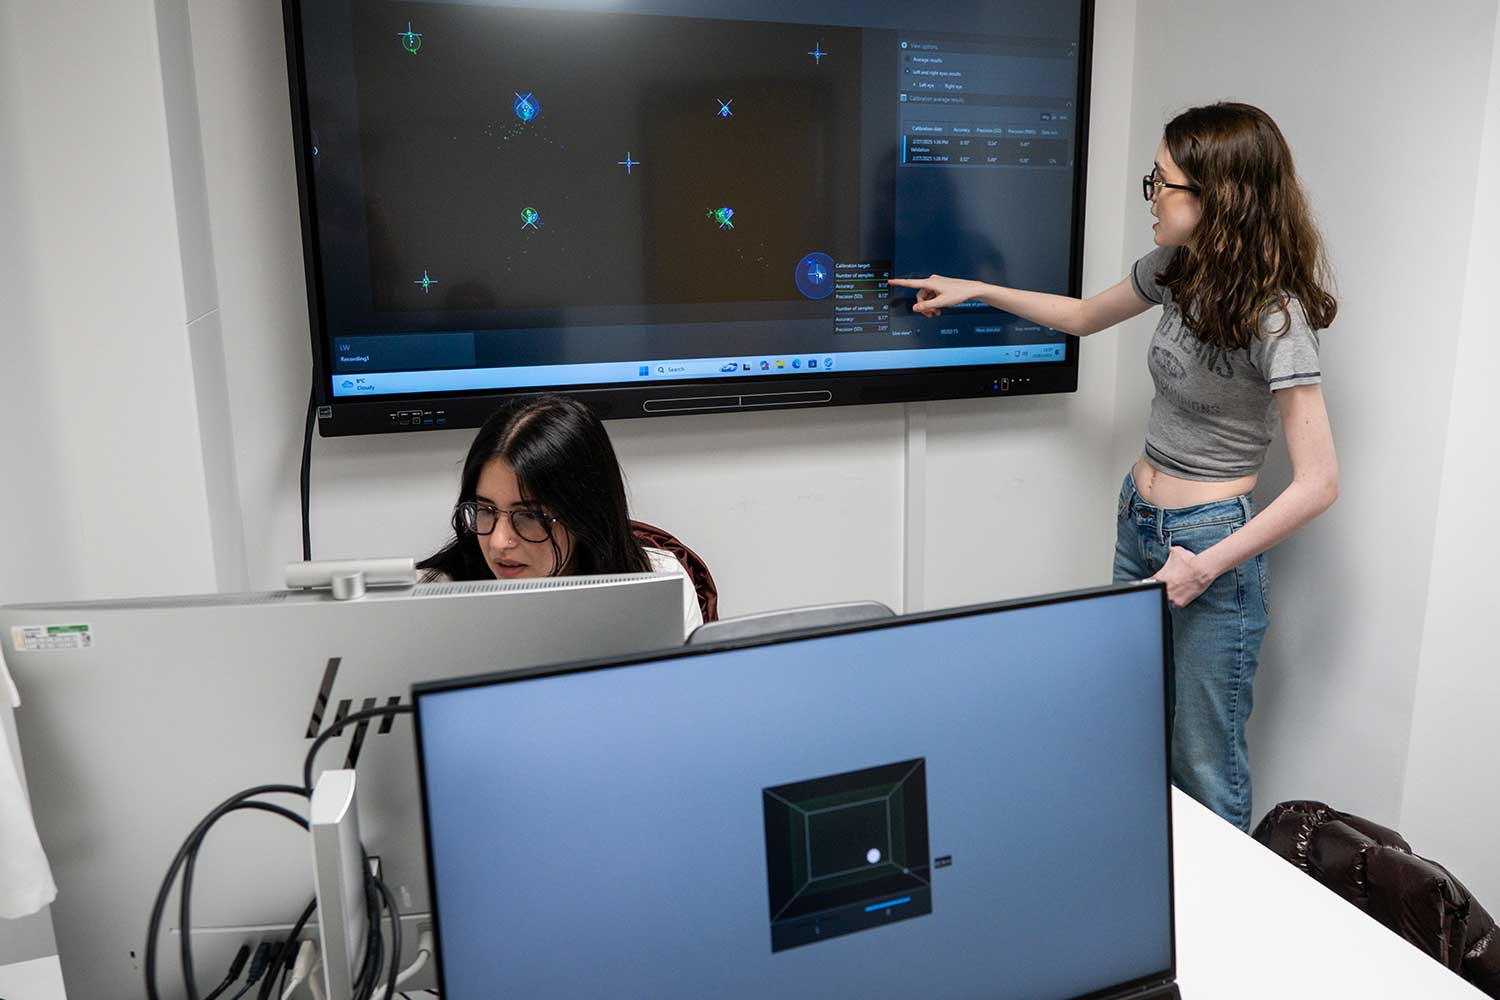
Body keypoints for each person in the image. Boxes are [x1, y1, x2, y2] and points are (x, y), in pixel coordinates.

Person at [891, 102, 1339, 832]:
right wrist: (978, 290)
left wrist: (1205, 565)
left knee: (1203, 764)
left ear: (1218, 198)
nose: (1152, 198)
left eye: (1162, 183)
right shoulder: (1174, 270)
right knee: (1126, 732)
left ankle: (1214, 929)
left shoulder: (1276, 318)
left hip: (1210, 548)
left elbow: (1319, 483)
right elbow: (1082, 316)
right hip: (1140, 522)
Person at [419, 394, 704, 637]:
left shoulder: (657, 581)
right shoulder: (432, 597)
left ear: (584, 516)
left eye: (529, 517)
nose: (498, 541)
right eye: (485, 510)